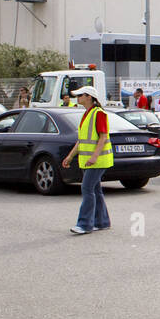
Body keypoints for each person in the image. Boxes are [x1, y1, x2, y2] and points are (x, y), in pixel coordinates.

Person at [62, 86, 112, 235]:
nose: (77, 98)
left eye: (80, 95)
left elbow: (103, 137)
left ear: (89, 97)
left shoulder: (99, 114)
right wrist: (70, 156)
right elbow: (81, 140)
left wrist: (94, 156)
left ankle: (84, 224)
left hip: (98, 160)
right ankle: (102, 222)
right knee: (95, 190)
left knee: (87, 189)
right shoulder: (87, 114)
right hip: (90, 160)